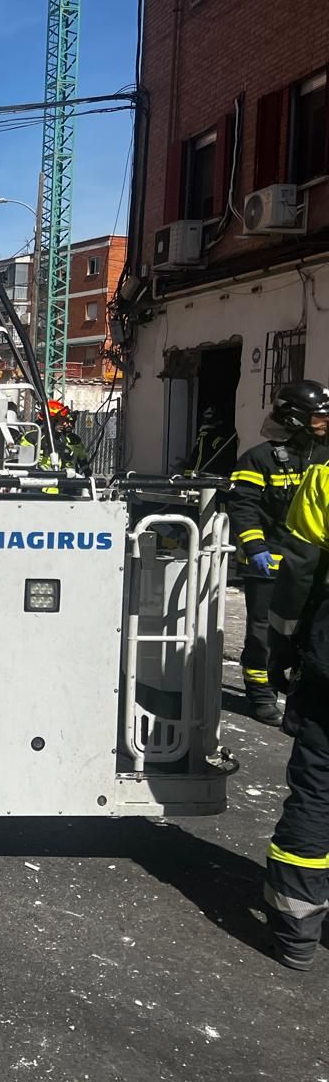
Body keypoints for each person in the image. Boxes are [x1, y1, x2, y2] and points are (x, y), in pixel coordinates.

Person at [263, 412, 329, 970]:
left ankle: (297, 928)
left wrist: (281, 649)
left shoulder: (324, 480)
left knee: (318, 791)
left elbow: (298, 575)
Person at [230, 381, 329, 726]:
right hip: (268, 563)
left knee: (306, 631)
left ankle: (299, 693)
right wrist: (255, 547)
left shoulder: (322, 457)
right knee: (264, 632)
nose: (325, 423)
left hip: (309, 565)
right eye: (318, 417)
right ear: (295, 418)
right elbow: (244, 507)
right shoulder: (259, 459)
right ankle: (261, 694)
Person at [183, 407, 237, 475]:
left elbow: (200, 460)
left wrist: (192, 475)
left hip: (207, 477)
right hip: (216, 476)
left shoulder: (207, 436)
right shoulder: (224, 436)